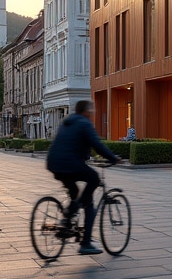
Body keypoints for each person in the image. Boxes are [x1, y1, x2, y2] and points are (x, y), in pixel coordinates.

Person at [45, 100, 120, 255]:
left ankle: (68, 217)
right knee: (94, 179)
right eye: (91, 111)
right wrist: (113, 158)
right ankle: (85, 243)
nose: (92, 114)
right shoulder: (84, 124)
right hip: (70, 164)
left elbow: (73, 144)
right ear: (86, 112)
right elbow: (97, 144)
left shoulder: (67, 122)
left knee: (74, 191)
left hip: (54, 163)